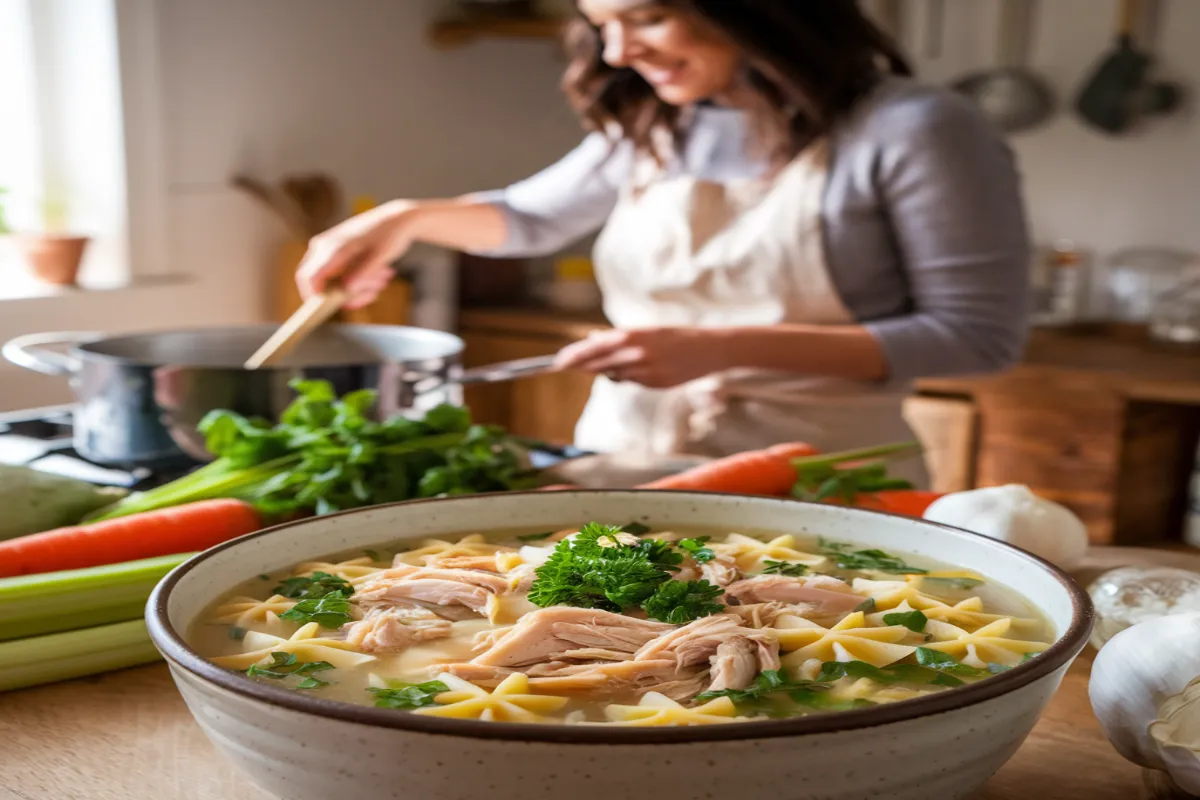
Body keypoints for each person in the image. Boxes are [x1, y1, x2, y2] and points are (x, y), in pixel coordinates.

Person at [295, 0, 1032, 486]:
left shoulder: (917, 129)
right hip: (626, 461)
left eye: (645, 16)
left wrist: (719, 347)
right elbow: (528, 219)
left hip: (820, 474)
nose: (618, 52)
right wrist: (401, 220)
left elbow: (974, 337)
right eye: (601, 23)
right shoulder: (654, 119)